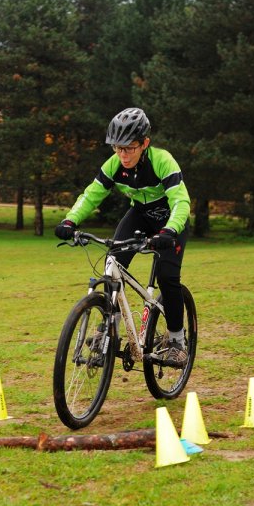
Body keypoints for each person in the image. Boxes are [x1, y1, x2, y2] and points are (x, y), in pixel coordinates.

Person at [55, 107, 191, 368]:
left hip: (171, 221)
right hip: (139, 215)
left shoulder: (163, 161)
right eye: (117, 148)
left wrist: (170, 230)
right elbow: (92, 194)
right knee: (111, 265)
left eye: (129, 148)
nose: (123, 154)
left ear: (144, 143)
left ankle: (177, 340)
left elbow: (181, 201)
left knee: (167, 276)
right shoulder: (114, 164)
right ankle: (109, 327)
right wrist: (70, 220)